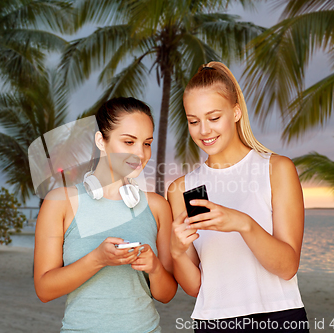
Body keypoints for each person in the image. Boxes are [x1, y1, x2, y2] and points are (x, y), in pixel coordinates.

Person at [168, 62, 309, 332]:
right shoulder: (182, 189)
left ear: (235, 112)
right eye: (193, 121)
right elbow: (195, 287)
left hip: (278, 317)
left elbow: (288, 267)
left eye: (213, 118)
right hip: (212, 323)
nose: (204, 131)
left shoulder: (276, 169)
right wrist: (176, 252)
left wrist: (243, 223)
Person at [34, 97, 176, 332]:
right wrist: (97, 260)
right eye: (129, 142)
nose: (141, 153)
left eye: (147, 143)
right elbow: (44, 290)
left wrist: (155, 268)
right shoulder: (59, 202)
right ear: (101, 140)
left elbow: (167, 294)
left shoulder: (158, 207)